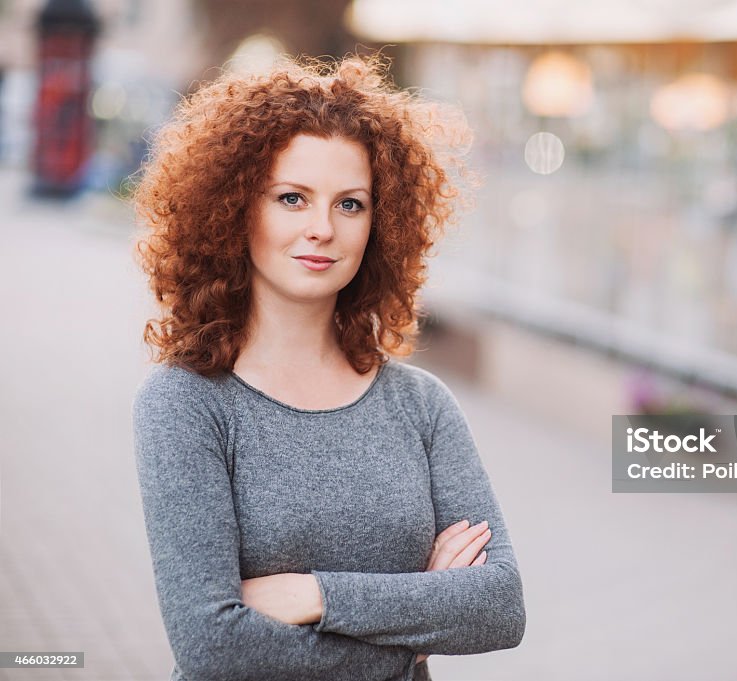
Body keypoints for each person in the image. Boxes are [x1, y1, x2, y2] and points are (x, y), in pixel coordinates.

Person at [130, 55, 526, 681]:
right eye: (292, 198)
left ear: (380, 223)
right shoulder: (187, 402)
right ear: (235, 209)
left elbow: (499, 607)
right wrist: (413, 638)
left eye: (350, 204)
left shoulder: (419, 405)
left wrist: (314, 595)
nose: (322, 229)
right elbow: (211, 647)